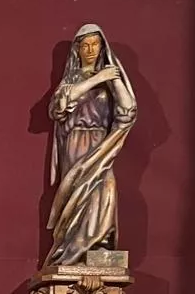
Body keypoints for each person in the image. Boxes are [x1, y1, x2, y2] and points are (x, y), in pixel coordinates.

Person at [43, 23, 137, 268]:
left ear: (102, 46)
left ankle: (100, 245)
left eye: (95, 44)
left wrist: (113, 79)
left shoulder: (110, 80)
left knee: (106, 187)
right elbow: (58, 106)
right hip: (76, 145)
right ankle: (72, 249)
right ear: (77, 50)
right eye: (85, 45)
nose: (91, 49)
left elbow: (128, 111)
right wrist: (97, 78)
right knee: (78, 193)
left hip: (101, 144)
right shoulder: (71, 80)